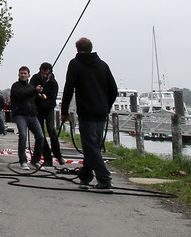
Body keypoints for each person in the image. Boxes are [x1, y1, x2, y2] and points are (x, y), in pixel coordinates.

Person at [59, 37, 118, 191]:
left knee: (90, 147)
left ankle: (104, 179)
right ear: (91, 48)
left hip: (86, 111)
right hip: (101, 111)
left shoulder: (75, 64)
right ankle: (85, 176)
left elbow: (69, 88)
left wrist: (64, 111)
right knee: (94, 146)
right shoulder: (102, 65)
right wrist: (107, 105)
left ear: (77, 49)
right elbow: (113, 89)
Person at [9, 65, 51, 170]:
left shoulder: (31, 87)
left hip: (32, 115)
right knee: (23, 135)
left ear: (29, 75)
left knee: (40, 137)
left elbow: (34, 99)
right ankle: (23, 161)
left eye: (25, 73)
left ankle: (35, 161)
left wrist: (41, 97)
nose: (23, 75)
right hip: (20, 115)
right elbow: (21, 95)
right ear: (18, 75)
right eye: (21, 73)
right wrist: (34, 91)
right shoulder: (15, 86)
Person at [32, 62, 66, 164]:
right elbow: (29, 92)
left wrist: (44, 99)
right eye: (43, 73)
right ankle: (47, 158)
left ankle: (58, 155)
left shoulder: (54, 83)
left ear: (50, 73)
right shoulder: (34, 79)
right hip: (37, 110)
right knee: (40, 134)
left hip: (48, 109)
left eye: (47, 74)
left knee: (51, 130)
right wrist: (36, 92)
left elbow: (52, 100)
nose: (44, 76)